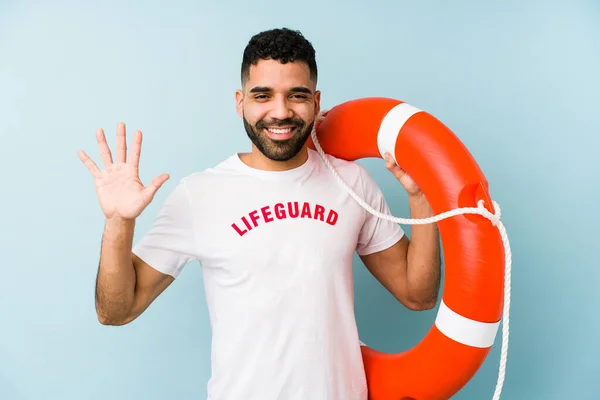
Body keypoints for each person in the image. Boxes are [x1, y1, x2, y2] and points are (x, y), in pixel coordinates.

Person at [78, 27, 441, 400]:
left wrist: (421, 198)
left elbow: (418, 295)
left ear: (316, 102)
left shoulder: (353, 183)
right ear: (240, 102)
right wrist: (120, 222)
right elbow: (117, 310)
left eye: (296, 96)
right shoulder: (200, 194)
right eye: (262, 95)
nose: (280, 112)